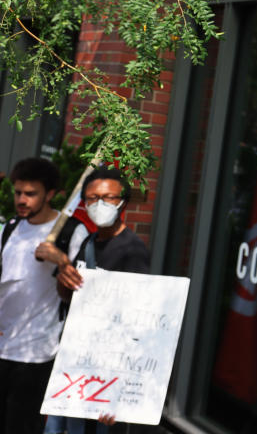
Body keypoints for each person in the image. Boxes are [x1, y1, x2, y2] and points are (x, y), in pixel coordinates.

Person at [56, 167, 150, 434]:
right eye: (92, 198)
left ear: (123, 202)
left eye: (107, 197)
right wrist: (63, 280)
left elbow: (139, 320)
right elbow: (69, 298)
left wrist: (118, 391)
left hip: (110, 368)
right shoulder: (89, 242)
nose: (99, 204)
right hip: (81, 361)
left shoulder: (133, 250)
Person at [0, 158, 88, 434]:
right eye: (18, 193)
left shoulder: (72, 232)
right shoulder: (10, 228)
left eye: (31, 193)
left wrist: (61, 262)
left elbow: (80, 295)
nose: (22, 199)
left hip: (37, 352)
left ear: (50, 194)